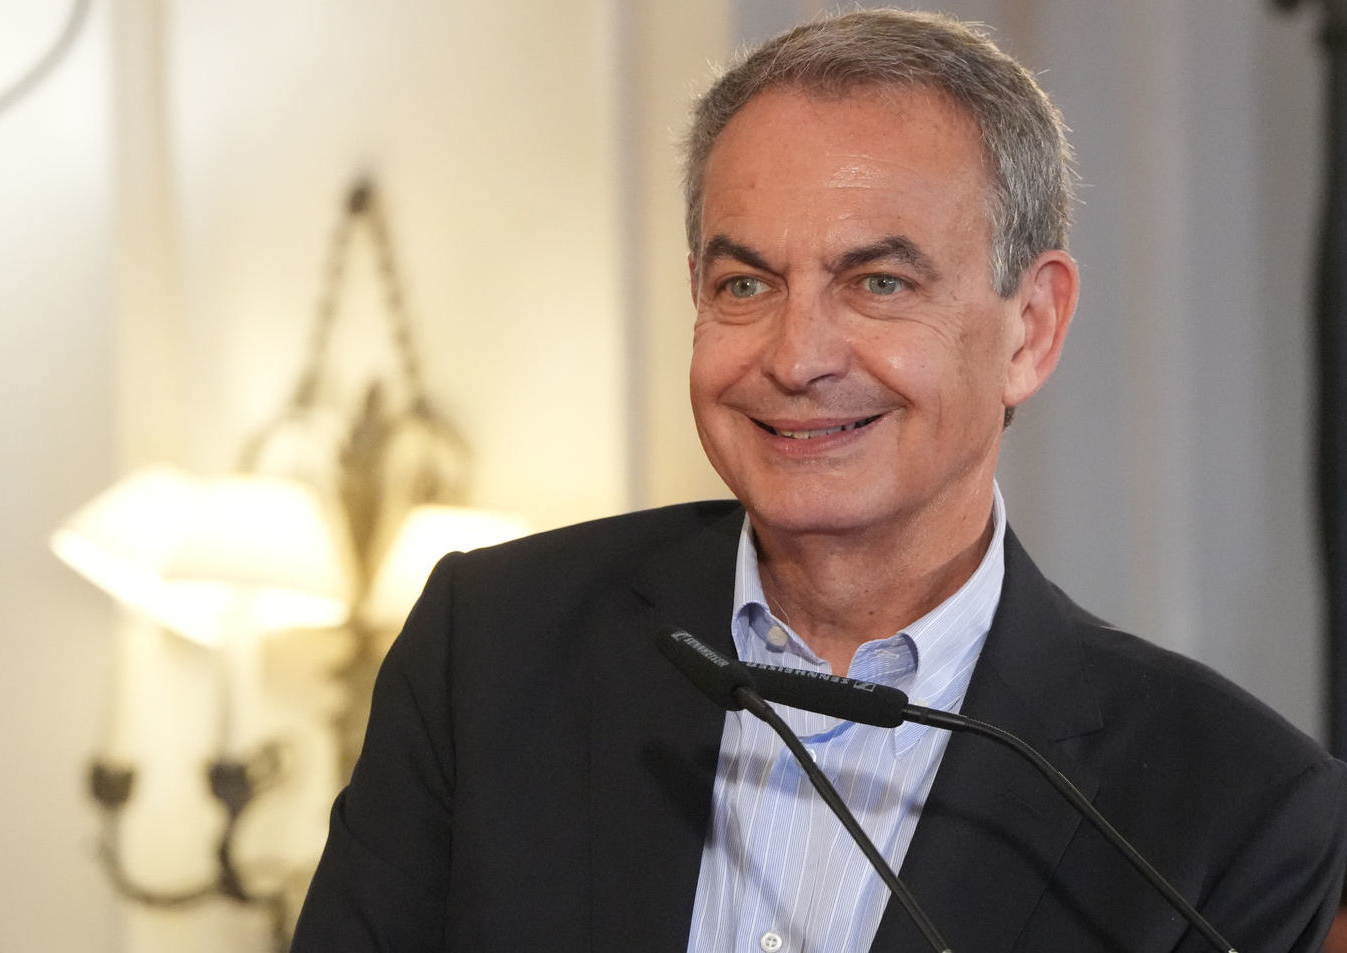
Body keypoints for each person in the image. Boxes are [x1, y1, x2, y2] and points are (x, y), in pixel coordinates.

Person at [291, 9, 1347, 952]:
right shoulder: (490, 648)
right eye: (744, 283)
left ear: (1030, 329)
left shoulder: (1233, 808)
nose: (796, 357)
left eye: (877, 282)